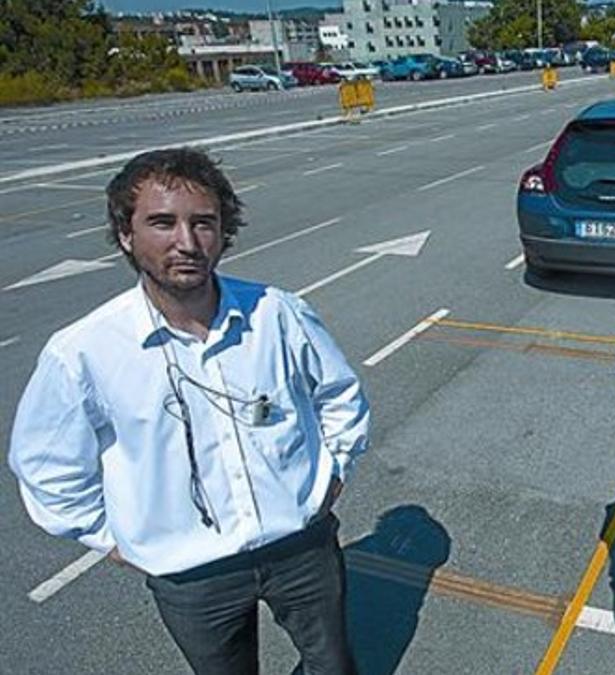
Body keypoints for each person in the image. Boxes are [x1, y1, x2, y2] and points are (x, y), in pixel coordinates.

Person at [9, 148, 370, 675]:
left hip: (301, 546)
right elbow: (46, 466)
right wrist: (114, 538)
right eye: (162, 223)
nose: (187, 242)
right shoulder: (83, 351)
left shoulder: (277, 314)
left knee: (333, 664)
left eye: (204, 223)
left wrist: (332, 476)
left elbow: (340, 395)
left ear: (223, 231)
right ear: (126, 235)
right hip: (191, 573)